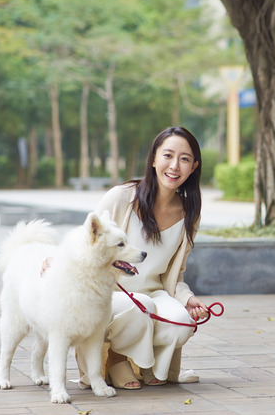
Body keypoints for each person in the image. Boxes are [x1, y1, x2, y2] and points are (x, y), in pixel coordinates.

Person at [77, 126, 210, 390]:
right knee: (142, 305)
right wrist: (55, 260)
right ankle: (116, 361)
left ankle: (146, 364)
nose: (174, 166)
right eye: (168, 155)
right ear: (153, 159)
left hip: (154, 294)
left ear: (194, 166)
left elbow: (174, 274)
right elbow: (86, 241)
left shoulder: (189, 213)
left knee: (182, 323)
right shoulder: (122, 197)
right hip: (110, 293)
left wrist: (188, 299)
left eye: (184, 159)